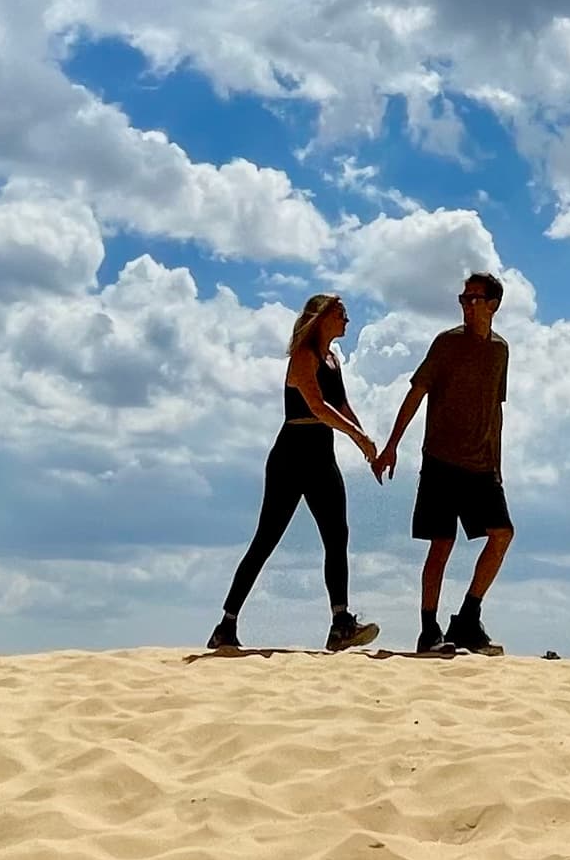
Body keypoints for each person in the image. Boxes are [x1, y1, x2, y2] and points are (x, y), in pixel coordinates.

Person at [210, 294, 386, 653]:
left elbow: (340, 405)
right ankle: (226, 625)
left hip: (321, 453)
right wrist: (357, 436)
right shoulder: (303, 357)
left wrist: (365, 443)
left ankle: (341, 623)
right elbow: (316, 405)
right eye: (341, 315)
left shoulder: (333, 359)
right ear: (321, 318)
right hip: (292, 455)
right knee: (266, 540)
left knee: (337, 534)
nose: (347, 321)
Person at [377, 271, 514, 655]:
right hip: (441, 459)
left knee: (502, 534)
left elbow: (495, 410)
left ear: (493, 305)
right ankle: (428, 630)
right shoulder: (446, 344)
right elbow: (417, 392)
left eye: (475, 299)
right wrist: (392, 446)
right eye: (463, 299)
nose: (468, 306)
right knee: (442, 544)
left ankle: (468, 619)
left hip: (482, 465)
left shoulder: (500, 350)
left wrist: (497, 462)